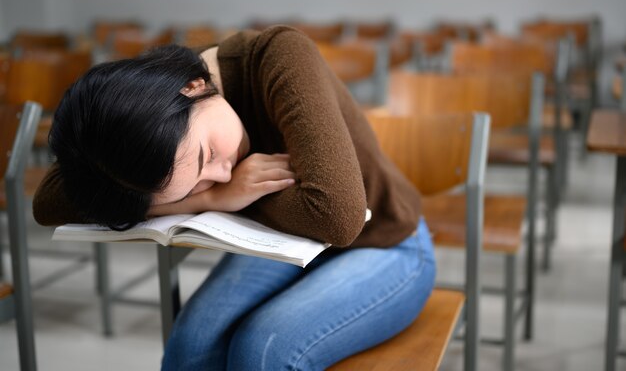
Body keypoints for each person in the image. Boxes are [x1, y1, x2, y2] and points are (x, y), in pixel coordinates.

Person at [33, 25, 436, 370]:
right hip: (292, 244)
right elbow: (48, 203)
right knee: (191, 342)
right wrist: (206, 201)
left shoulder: (279, 56)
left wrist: (230, 196)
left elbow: (337, 218)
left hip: (388, 243)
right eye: (195, 184)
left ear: (192, 87)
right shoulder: (142, 118)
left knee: (262, 348)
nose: (223, 174)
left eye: (207, 156)